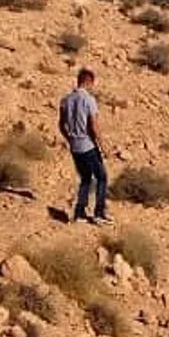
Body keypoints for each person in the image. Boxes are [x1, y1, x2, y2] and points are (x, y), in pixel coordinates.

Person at [58, 68, 110, 225]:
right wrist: (103, 146)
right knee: (102, 177)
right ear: (88, 82)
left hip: (75, 147)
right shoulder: (88, 100)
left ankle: (79, 212)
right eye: (92, 84)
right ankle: (99, 213)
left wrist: (70, 139)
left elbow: (61, 125)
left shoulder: (66, 99)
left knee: (86, 179)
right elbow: (93, 125)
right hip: (88, 145)